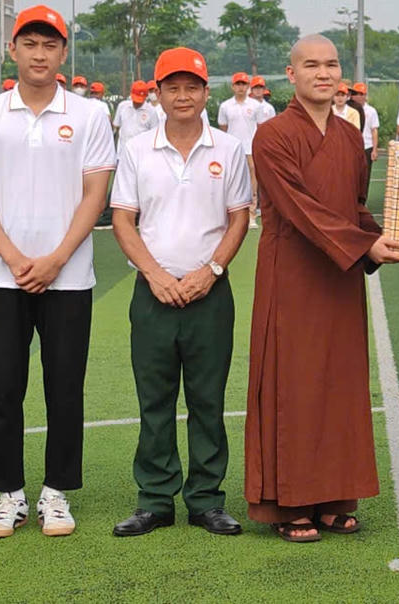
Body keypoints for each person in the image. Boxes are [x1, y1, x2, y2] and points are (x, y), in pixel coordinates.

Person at [0, 5, 116, 539]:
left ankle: (56, 493)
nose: (39, 54)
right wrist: (15, 257)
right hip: (3, 276)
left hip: (68, 276)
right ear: (13, 50)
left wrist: (55, 258)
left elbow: (95, 194)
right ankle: (9, 495)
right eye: (30, 44)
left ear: (63, 53)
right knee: (3, 388)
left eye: (50, 45)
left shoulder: (90, 115)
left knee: (64, 388)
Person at [244, 34, 399, 542]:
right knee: (294, 383)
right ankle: (291, 501)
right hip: (292, 274)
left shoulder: (349, 135)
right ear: (291, 75)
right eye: (311, 65)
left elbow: (353, 207)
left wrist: (383, 236)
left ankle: (336, 496)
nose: (323, 73)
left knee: (340, 382)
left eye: (331, 64)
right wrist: (364, 246)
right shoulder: (272, 135)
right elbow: (301, 209)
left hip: (340, 275)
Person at [110, 48, 252, 538]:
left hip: (210, 292)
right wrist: (154, 275)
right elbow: (123, 220)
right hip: (153, 292)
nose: (183, 96)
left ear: (206, 92)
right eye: (172, 87)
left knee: (207, 400)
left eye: (192, 87)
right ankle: (154, 500)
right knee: (155, 400)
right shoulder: (136, 149)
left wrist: (211, 271)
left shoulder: (228, 149)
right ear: (158, 93)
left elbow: (239, 218)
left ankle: (207, 499)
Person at [218, 72, 261, 229]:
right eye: (238, 84)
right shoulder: (225, 106)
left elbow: (261, 127)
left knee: (252, 182)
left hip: (251, 148)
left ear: (248, 86)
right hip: (232, 150)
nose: (241, 87)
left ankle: (251, 214)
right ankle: (230, 215)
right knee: (230, 181)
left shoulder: (256, 106)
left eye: (243, 84)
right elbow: (223, 128)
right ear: (233, 87)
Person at [115, 81, 161, 154]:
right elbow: (117, 127)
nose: (137, 103)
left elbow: (155, 134)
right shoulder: (122, 107)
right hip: (123, 153)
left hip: (143, 153)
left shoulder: (151, 112)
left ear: (146, 96)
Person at [350, 83, 380, 183]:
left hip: (367, 146)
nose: (359, 96)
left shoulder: (371, 111)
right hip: (351, 147)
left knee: (365, 176)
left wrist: (374, 150)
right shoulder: (348, 109)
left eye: (361, 94)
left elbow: (374, 130)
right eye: (356, 94)